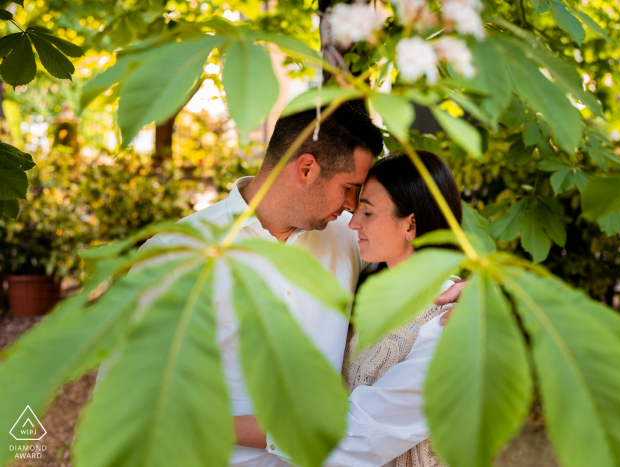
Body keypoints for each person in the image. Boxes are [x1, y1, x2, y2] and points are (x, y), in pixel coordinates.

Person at [95, 100, 465, 466]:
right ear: (306, 169)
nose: (353, 208)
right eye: (349, 188)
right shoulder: (173, 254)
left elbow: (419, 260)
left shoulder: (347, 238)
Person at [234, 151, 462, 467]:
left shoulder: (448, 322)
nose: (352, 222)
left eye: (367, 213)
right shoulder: (374, 292)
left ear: (410, 225)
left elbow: (357, 433)